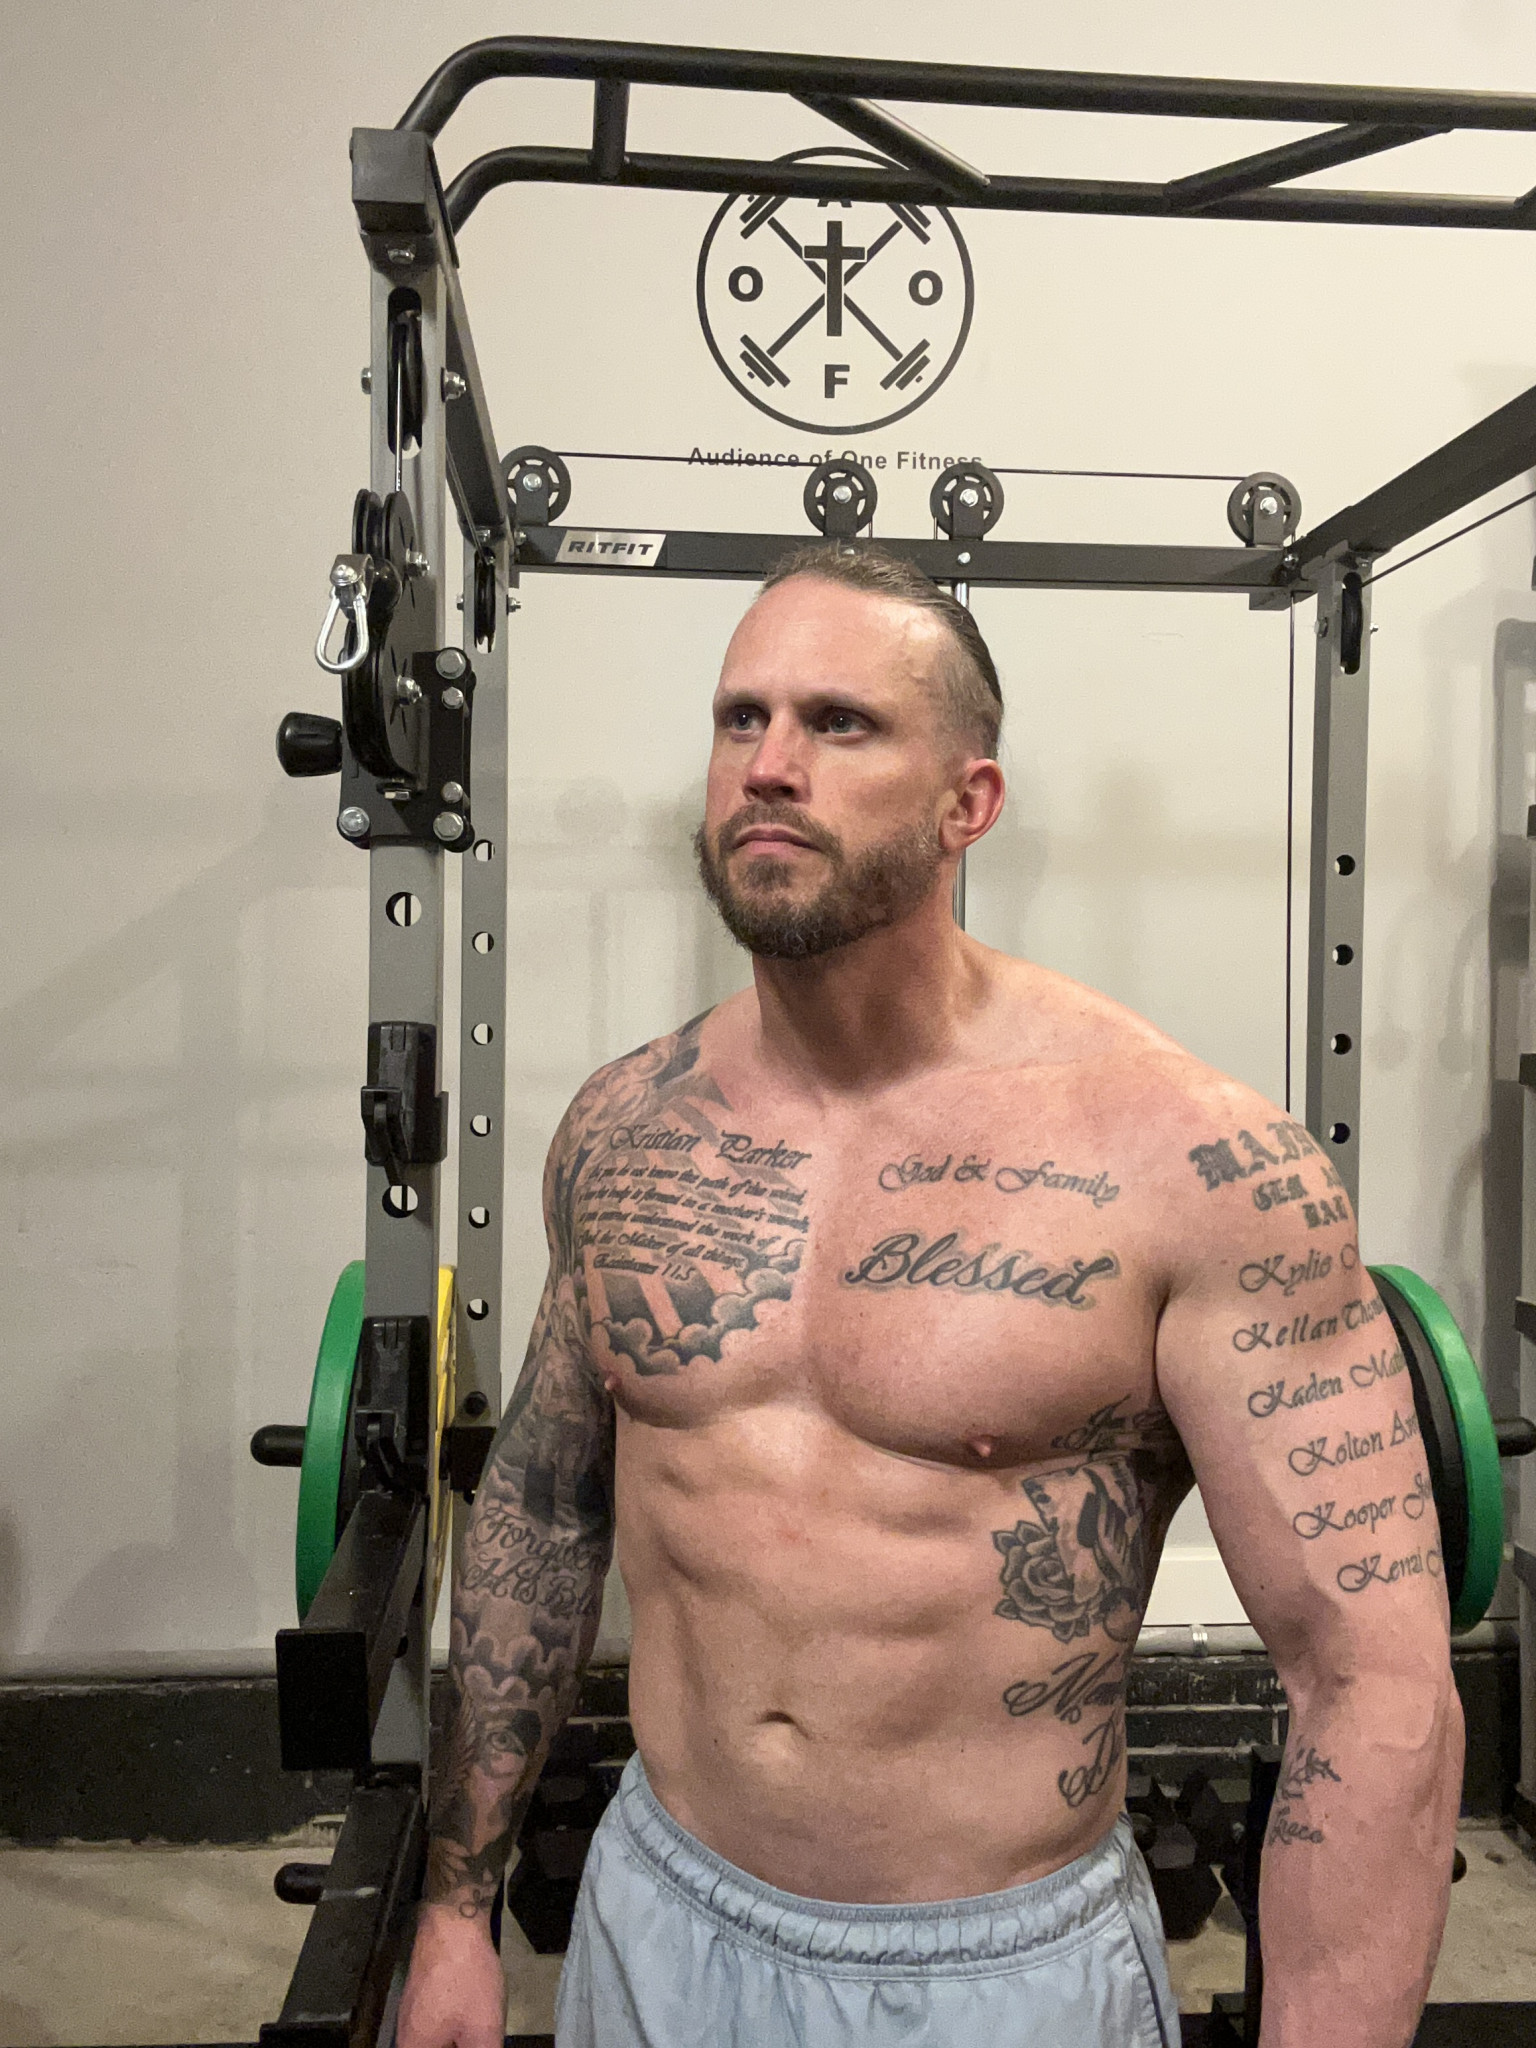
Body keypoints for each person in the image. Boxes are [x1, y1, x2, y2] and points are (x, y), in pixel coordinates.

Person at [397, 542, 1462, 2048]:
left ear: (971, 802)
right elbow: (543, 1512)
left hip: (999, 1971)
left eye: (839, 723)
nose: (770, 766)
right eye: (741, 718)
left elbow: (1373, 1684)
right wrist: (457, 1911)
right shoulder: (628, 1126)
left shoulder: (1191, 1162)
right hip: (656, 1911)